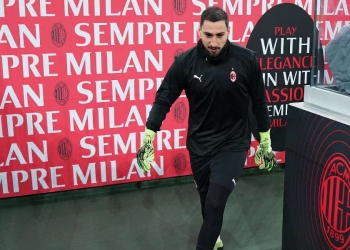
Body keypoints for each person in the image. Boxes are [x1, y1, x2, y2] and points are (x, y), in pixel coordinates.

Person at [136, 6, 277, 250]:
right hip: (199, 144)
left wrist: (265, 141)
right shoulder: (185, 62)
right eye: (208, 35)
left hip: (233, 143)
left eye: (219, 35)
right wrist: (149, 135)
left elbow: (258, 102)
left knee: (214, 202)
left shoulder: (247, 60)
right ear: (199, 31)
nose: (213, 42)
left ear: (229, 32)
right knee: (206, 200)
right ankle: (214, 234)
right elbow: (164, 98)